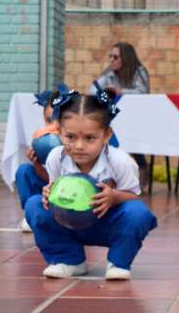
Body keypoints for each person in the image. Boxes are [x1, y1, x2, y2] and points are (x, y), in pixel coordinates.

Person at [24, 85, 157, 280]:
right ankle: (69, 260)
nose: (78, 146)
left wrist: (114, 197)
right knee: (34, 205)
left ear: (107, 135)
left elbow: (133, 196)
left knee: (139, 213)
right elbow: (53, 188)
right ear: (59, 131)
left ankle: (118, 262)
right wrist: (48, 194)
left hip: (106, 224)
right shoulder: (56, 157)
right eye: (70, 137)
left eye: (90, 138)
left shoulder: (120, 161)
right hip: (68, 221)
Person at [92, 42, 151, 187]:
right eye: (110, 56)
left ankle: (142, 167)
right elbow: (92, 90)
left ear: (126, 58)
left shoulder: (139, 71)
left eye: (116, 57)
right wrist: (103, 91)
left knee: (130, 134)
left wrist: (120, 92)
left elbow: (143, 91)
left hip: (136, 117)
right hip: (114, 115)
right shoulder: (109, 72)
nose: (112, 59)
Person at [14, 85, 65, 232]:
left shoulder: (76, 143)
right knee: (24, 170)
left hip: (68, 189)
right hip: (49, 186)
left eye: (59, 120)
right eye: (49, 120)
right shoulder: (43, 140)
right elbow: (50, 178)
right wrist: (36, 164)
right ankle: (31, 215)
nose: (54, 127)